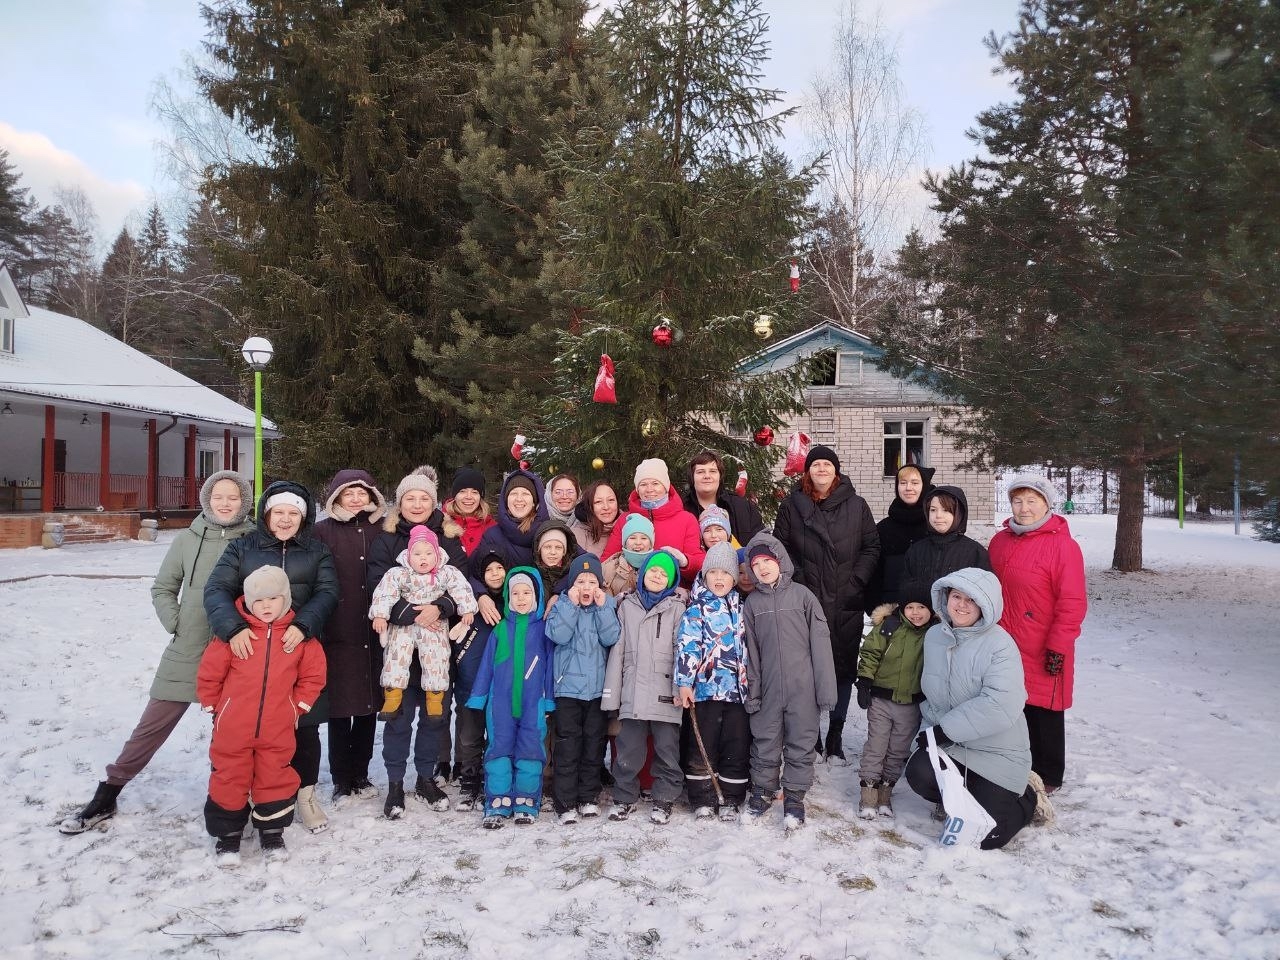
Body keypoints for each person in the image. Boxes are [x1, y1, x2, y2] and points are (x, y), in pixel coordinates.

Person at [59, 470, 256, 835]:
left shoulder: (254, 540)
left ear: (244, 501)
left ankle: (229, 804)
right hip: (187, 647)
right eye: (218, 496)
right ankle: (108, 792)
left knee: (230, 735)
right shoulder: (187, 539)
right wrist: (176, 622)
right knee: (151, 725)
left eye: (233, 497)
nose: (225, 503)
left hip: (235, 650)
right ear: (207, 500)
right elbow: (163, 587)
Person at [204, 479, 339, 833]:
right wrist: (233, 628)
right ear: (266, 514)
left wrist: (305, 625)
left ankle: (305, 795)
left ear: (303, 517)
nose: (285, 519)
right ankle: (243, 799)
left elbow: (327, 591)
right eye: (278, 512)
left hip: (297, 649)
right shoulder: (243, 547)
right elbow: (217, 588)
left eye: (293, 513)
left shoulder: (316, 550)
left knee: (304, 729)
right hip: (249, 652)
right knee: (242, 735)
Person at [903, 568, 1051, 850]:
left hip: (995, 751)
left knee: (986, 838)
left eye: (971, 600)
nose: (962, 605)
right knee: (918, 772)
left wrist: (945, 730)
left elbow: (1001, 703)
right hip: (952, 745)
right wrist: (928, 734)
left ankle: (1029, 797)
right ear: (945, 598)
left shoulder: (1000, 645)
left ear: (986, 605)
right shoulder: (934, 637)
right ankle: (960, 801)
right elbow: (933, 696)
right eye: (957, 597)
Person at [198, 566, 327, 865]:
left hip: (277, 726)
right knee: (229, 776)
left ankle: (272, 832)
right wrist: (214, 706)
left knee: (275, 776)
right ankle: (228, 836)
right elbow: (211, 672)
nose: (266, 606)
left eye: (273, 599)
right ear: (247, 601)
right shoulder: (235, 635)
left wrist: (298, 706)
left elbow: (313, 675)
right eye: (258, 600)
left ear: (286, 598)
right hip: (233, 726)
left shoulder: (298, 637)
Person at [772, 445, 879, 761]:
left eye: (827, 464)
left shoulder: (857, 505)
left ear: (836, 471)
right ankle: (812, 734)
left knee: (842, 668)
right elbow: (781, 547)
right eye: (816, 464)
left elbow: (871, 547)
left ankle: (836, 733)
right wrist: (798, 581)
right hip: (806, 600)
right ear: (807, 471)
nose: (821, 469)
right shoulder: (792, 506)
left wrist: (856, 581)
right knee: (807, 670)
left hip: (845, 599)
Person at [368, 464, 466, 791]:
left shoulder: (448, 538)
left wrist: (442, 607)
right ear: (400, 502)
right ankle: (396, 782)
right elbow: (378, 584)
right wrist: (409, 613)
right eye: (410, 498)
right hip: (401, 648)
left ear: (433, 502)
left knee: (433, 718)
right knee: (398, 719)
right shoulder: (386, 539)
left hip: (436, 645)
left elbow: (461, 583)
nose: (417, 504)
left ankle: (426, 777)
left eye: (424, 498)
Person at [988, 475, 1087, 793]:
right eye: (1018, 501)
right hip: (1005, 639)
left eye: (1032, 501)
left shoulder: (1063, 547)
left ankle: (1048, 775)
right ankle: (1016, 764)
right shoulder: (1000, 542)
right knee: (1012, 704)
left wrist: (1058, 645)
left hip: (1043, 643)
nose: (1024, 508)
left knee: (1044, 707)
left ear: (1047, 504)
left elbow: (1072, 602)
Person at [741, 532, 836, 831]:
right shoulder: (752, 604)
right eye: (756, 565)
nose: (763, 568)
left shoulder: (803, 597)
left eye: (767, 561)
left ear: (780, 560)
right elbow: (751, 653)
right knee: (765, 741)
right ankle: (763, 791)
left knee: (801, 742)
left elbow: (821, 644)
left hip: (802, 689)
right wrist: (754, 693)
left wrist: (825, 690)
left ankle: (794, 797)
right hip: (769, 688)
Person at [312, 468, 387, 806]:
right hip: (337, 629)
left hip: (375, 628)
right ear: (336, 497)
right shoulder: (321, 531)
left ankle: (361, 772)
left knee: (369, 704)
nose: (356, 499)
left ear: (372, 496)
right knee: (340, 708)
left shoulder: (382, 528)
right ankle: (341, 778)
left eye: (362, 493)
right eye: (348, 493)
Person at [465, 568, 554, 828]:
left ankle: (526, 799)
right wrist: (479, 696)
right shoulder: (501, 629)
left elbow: (550, 668)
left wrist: (549, 700)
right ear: (508, 596)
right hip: (500, 703)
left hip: (533, 702)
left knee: (530, 746)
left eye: (527, 593)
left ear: (536, 596)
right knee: (499, 746)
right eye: (515, 593)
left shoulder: (544, 630)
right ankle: (498, 799)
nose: (521, 598)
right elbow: (486, 666)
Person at [603, 551, 686, 824]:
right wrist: (612, 696)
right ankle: (624, 796)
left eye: (664, 574)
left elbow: (681, 650)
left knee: (667, 750)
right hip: (633, 692)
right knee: (628, 749)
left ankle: (664, 797)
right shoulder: (627, 606)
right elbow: (618, 652)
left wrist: (681, 687)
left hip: (666, 692)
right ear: (642, 574)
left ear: (671, 580)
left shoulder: (677, 608)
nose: (657, 576)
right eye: (653, 571)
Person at [369, 525, 477, 724]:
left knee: (437, 657)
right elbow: (385, 593)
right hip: (404, 625)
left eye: (428, 553)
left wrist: (467, 609)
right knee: (395, 655)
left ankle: (434, 700)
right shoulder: (398, 573)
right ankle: (392, 697)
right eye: (417, 554)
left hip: (434, 623)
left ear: (437, 554)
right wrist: (380, 615)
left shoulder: (447, 572)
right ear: (408, 555)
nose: (423, 558)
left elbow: (462, 588)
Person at [675, 541, 750, 821]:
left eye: (725, 573)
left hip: (737, 693)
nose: (719, 578)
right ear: (704, 575)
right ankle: (702, 797)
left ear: (735, 577)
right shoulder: (697, 609)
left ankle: (731, 796)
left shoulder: (743, 608)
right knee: (702, 745)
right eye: (713, 572)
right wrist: (685, 682)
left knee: (735, 745)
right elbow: (688, 646)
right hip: (705, 691)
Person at [546, 554, 620, 823]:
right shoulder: (562, 605)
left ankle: (588, 797)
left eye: (592, 582)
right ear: (571, 585)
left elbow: (612, 637)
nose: (586, 587)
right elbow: (557, 635)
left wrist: (602, 608)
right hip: (568, 690)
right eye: (580, 582)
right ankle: (565, 801)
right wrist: (570, 605)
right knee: (568, 746)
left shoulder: (607, 606)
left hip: (596, 691)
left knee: (593, 746)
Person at [855, 578, 934, 820]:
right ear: (901, 607)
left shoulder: (935, 634)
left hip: (911, 704)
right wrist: (865, 681)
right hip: (881, 700)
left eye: (922, 607)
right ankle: (868, 795)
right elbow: (870, 652)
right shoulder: (889, 626)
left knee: (897, 751)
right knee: (876, 747)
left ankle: (885, 794)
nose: (915, 613)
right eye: (910, 607)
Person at [450, 548, 508, 811]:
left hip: (500, 685)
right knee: (470, 735)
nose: (495, 574)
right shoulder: (468, 604)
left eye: (499, 568)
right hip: (471, 681)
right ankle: (469, 780)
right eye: (489, 570)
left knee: (495, 735)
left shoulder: (512, 603)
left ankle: (489, 779)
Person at [601, 459, 705, 587]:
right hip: (629, 592)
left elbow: (700, 565)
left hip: (673, 594)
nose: (649, 489)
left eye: (655, 483)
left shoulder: (686, 520)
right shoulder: (625, 519)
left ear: (666, 487)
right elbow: (607, 560)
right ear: (637, 489)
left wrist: (685, 561)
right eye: (643, 484)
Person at [866, 464, 936, 609]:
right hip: (891, 614)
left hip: (932, 612)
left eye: (915, 483)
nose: (908, 488)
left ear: (925, 486)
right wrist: (877, 609)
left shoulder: (936, 525)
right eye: (903, 483)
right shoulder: (883, 528)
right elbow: (874, 574)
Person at [901, 486, 991, 589]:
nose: (938, 515)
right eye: (933, 510)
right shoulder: (916, 550)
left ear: (958, 514)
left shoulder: (975, 552)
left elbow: (984, 591)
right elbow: (906, 589)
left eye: (946, 510)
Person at [681, 449, 764, 546]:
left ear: (720, 477)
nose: (707, 476)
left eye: (713, 471)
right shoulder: (682, 509)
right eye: (700, 472)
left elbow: (762, 541)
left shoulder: (742, 507)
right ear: (692, 477)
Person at [441, 467, 496, 557]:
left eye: (474, 492)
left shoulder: (492, 528)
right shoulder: (440, 523)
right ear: (455, 495)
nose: (469, 497)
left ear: (480, 497)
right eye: (462, 491)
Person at [600, 513, 653, 597]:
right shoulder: (609, 569)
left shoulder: (658, 568)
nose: (638, 542)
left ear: (651, 544)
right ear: (624, 543)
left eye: (644, 538)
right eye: (632, 538)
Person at [532, 517, 583, 598]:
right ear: (539, 550)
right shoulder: (531, 576)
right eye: (547, 547)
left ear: (564, 552)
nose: (553, 552)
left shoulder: (574, 576)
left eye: (558, 547)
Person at [571, 480, 620, 556]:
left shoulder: (629, 527)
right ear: (589, 506)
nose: (606, 507)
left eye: (611, 500)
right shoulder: (575, 535)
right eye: (598, 502)